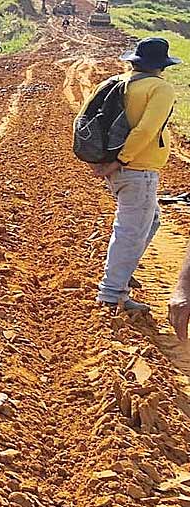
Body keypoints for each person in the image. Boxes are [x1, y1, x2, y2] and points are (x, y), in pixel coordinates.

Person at [89, 37, 180, 313]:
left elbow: (88, 121)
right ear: (162, 66)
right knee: (130, 231)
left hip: (122, 169)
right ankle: (112, 293)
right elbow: (145, 131)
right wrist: (120, 161)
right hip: (137, 169)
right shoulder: (160, 89)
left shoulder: (117, 82)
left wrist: (103, 161)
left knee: (150, 220)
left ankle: (122, 274)